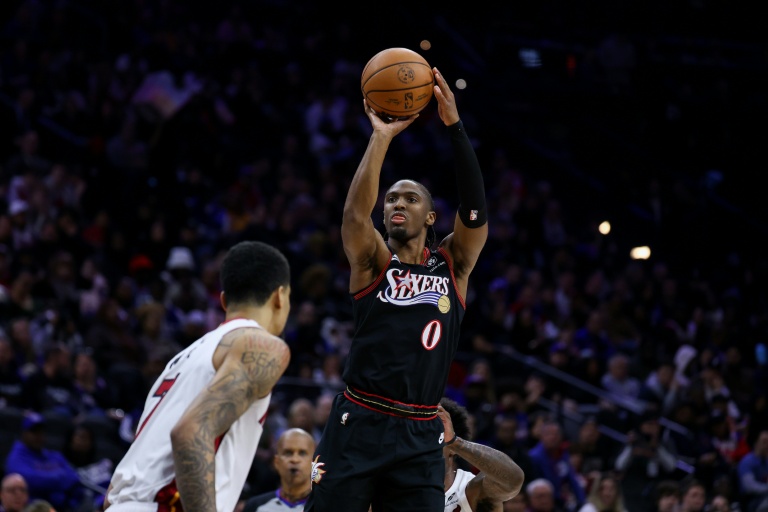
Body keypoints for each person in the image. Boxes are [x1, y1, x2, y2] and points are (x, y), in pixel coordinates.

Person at [305, 65, 489, 512]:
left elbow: (475, 212)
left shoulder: (453, 263)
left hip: (419, 430)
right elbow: (354, 216)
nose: (397, 203)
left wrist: (455, 127)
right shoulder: (373, 262)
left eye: (410, 198)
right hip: (358, 419)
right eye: (391, 199)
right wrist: (381, 136)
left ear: (430, 217)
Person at [104, 240, 292, 512]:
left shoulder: (180, 361)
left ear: (224, 300)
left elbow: (116, 488)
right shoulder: (261, 345)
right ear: (280, 296)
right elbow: (190, 432)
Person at [439, 397, 524, 511]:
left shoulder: (471, 490)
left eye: (433, 440)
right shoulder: (414, 493)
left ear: (452, 449)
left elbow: (513, 480)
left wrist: (455, 442)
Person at [3, 413, 84, 512]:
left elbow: (75, 478)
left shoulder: (53, 455)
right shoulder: (16, 457)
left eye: (41, 431)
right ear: (24, 433)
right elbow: (31, 480)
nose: (38, 435)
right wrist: (60, 478)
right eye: (34, 431)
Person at [242, 428, 315, 512]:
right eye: (288, 453)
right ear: (276, 462)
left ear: (314, 462)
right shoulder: (255, 506)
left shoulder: (324, 505)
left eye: (302, 453)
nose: (294, 460)